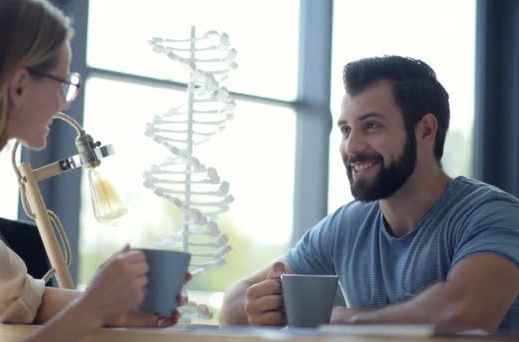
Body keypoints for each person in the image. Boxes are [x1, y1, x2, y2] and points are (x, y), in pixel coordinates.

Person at [0, 0, 188, 341]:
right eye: (62, 84)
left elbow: (25, 299)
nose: (65, 102)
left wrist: (116, 309)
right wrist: (92, 310)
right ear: (19, 85)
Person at [219, 55, 519, 333]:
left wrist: (341, 320)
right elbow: (233, 303)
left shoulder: (494, 215)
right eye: (346, 129)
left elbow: (464, 310)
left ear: (426, 130)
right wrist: (261, 307)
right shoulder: (347, 226)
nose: (351, 146)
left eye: (371, 126)